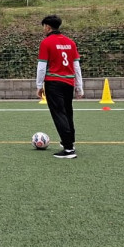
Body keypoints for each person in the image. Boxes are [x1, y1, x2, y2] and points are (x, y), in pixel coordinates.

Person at [35, 15, 84, 159]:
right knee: (68, 113)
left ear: (48, 27)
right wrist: (79, 86)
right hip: (68, 83)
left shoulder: (46, 42)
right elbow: (76, 66)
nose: (43, 29)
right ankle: (69, 143)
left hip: (54, 83)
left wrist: (39, 85)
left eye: (43, 26)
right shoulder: (70, 42)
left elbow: (42, 67)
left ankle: (68, 150)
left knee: (59, 114)